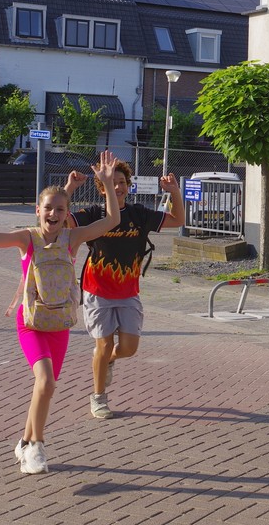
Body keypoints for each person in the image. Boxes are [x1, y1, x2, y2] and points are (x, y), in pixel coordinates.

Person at [0, 154, 121, 476]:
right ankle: (37, 446)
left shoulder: (72, 238)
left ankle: (25, 442)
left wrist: (108, 184)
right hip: (31, 323)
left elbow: (111, 221)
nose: (53, 214)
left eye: (60, 209)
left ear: (67, 215)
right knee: (46, 381)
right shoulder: (27, 237)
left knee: (46, 387)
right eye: (48, 208)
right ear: (37, 211)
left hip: (59, 323)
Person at [64, 156, 183, 421]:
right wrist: (70, 188)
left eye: (122, 182)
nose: (117, 187)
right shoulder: (93, 214)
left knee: (129, 348)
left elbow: (177, 220)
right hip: (97, 290)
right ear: (101, 188)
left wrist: (175, 191)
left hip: (128, 292)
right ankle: (98, 397)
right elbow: (62, 220)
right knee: (103, 344)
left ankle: (108, 359)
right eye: (112, 182)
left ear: (128, 186)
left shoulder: (139, 214)